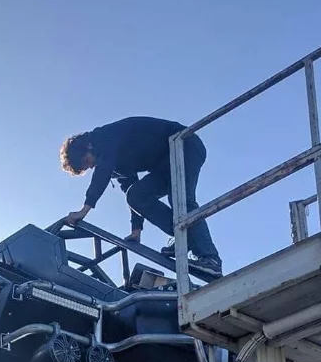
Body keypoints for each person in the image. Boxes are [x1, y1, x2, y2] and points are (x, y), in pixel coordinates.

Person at [60, 116, 224, 275]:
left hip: (183, 144)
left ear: (87, 147)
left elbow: (102, 172)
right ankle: (184, 235)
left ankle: (210, 258)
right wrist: (136, 229)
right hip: (163, 164)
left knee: (181, 199)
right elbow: (130, 187)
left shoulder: (104, 137)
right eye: (87, 167)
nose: (91, 166)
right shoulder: (112, 162)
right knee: (136, 195)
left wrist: (84, 210)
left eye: (87, 162)